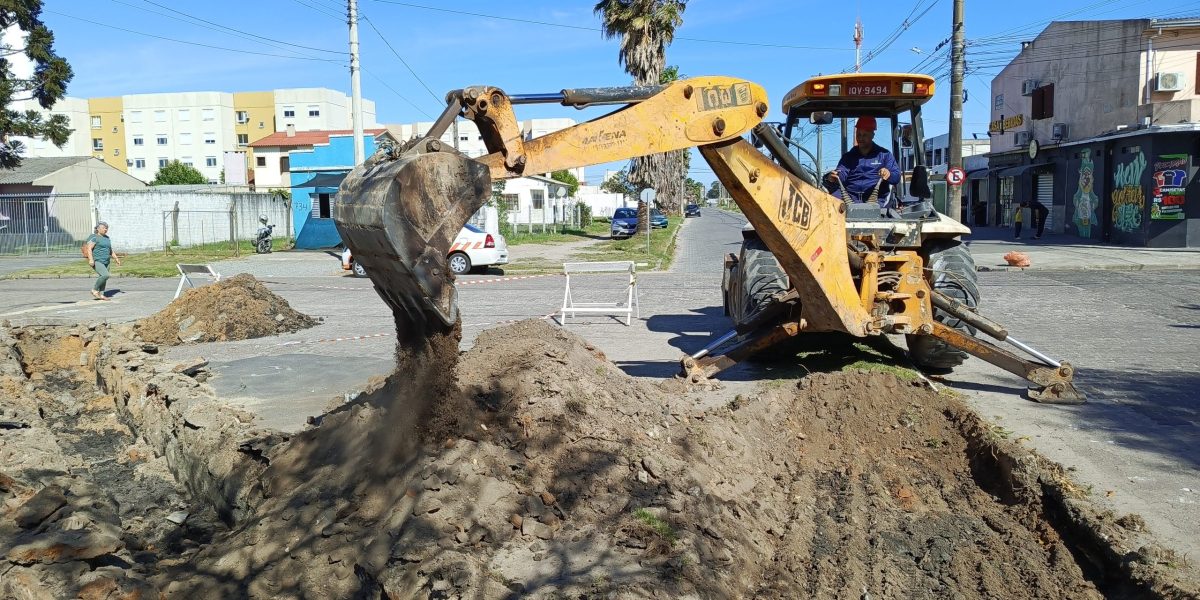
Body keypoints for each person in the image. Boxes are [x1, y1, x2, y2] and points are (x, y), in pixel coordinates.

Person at [826, 116, 902, 205]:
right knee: (828, 202)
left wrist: (889, 174)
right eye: (859, 134)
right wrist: (835, 177)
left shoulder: (884, 155)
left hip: (876, 199)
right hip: (849, 197)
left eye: (864, 135)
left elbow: (896, 176)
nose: (861, 138)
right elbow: (842, 172)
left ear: (872, 135)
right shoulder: (848, 156)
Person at [84, 221, 121, 300]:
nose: (106, 229)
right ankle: (94, 290)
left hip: (106, 261)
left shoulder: (107, 238)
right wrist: (91, 259)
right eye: (104, 228)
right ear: (98, 229)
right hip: (97, 260)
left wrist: (116, 258)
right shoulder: (94, 237)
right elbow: (89, 248)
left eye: (106, 228)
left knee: (104, 278)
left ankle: (101, 294)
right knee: (105, 275)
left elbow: (110, 250)